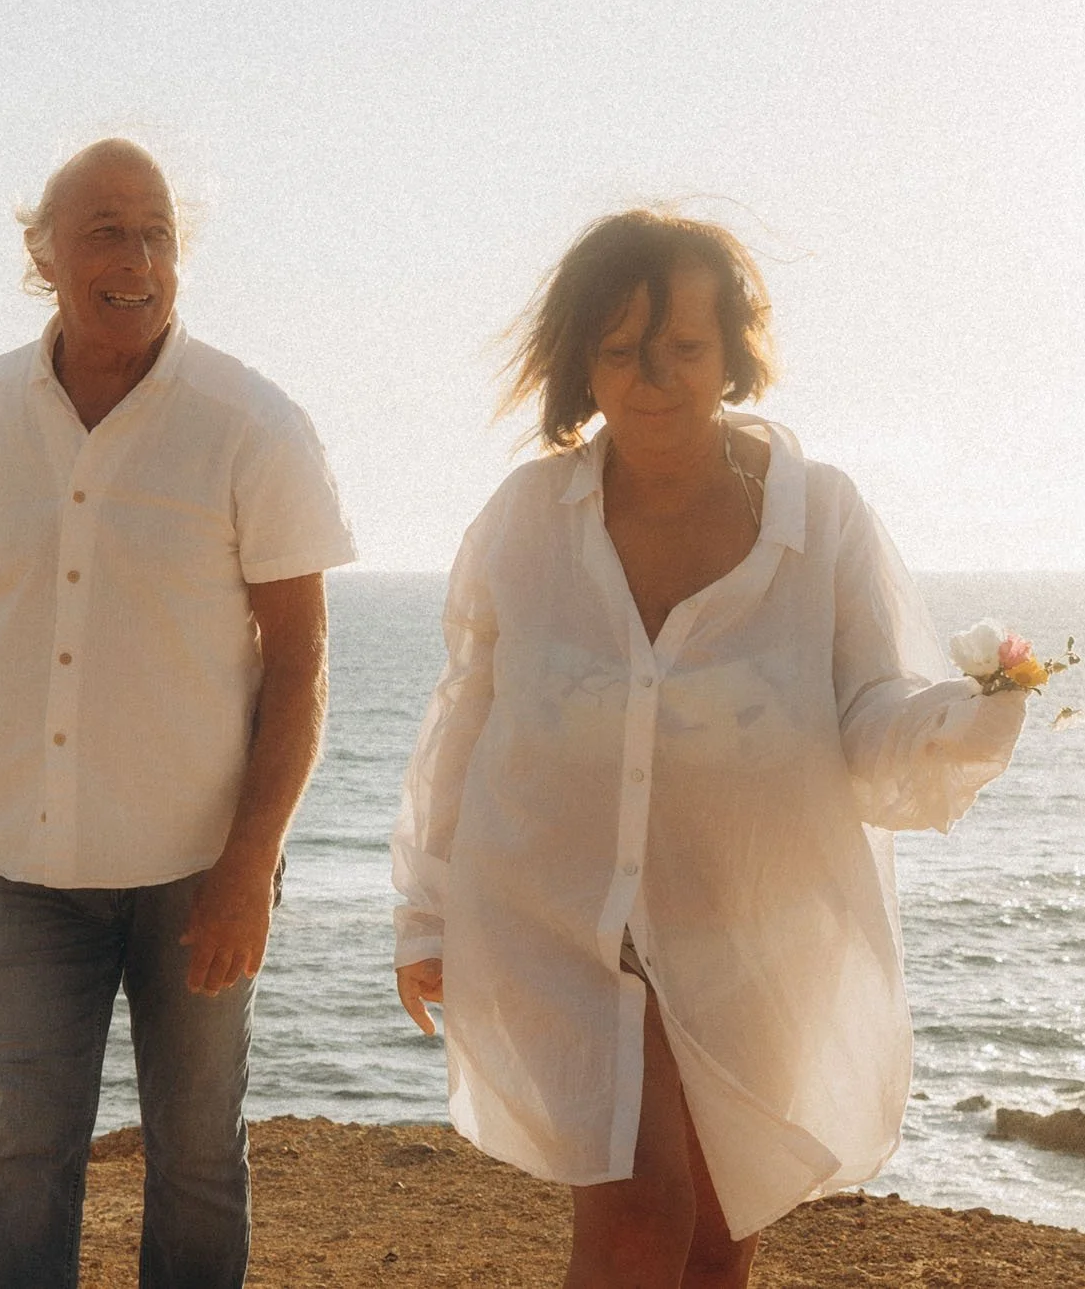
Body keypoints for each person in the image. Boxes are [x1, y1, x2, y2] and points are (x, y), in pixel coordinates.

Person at [390, 208, 1029, 1289]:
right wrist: (424, 906)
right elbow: (466, 715)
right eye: (622, 349)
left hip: (753, 921)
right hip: (559, 915)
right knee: (639, 1213)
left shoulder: (817, 516)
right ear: (581, 360)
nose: (653, 379)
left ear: (733, 351)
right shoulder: (526, 520)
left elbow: (866, 717)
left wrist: (970, 717)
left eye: (684, 347)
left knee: (719, 1236)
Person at [0, 138, 356, 1289]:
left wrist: (249, 863)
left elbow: (302, 661)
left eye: (157, 230)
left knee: (199, 1156)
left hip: (193, 869)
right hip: (15, 864)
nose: (138, 255)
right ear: (43, 255)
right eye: (106, 228)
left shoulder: (252, 421)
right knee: (22, 1152)